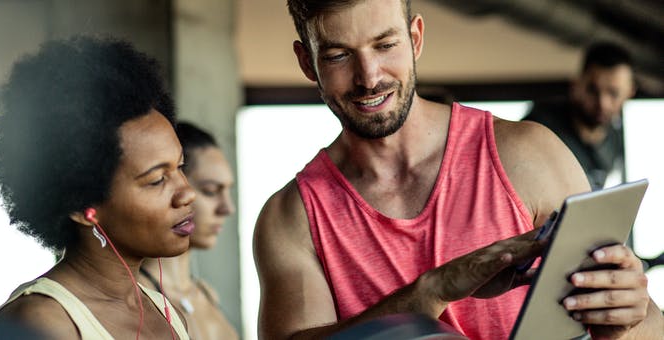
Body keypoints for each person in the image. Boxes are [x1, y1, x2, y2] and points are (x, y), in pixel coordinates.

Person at [253, 1, 663, 339]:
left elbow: (650, 324)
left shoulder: (529, 156)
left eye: (385, 45)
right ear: (307, 62)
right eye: (339, 55)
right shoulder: (292, 219)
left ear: (415, 38)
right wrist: (432, 291)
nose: (369, 78)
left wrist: (619, 325)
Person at [0, 35, 194, 340]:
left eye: (180, 167)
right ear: (83, 206)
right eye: (156, 180)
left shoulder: (166, 312)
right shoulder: (40, 322)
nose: (187, 192)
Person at [139, 122, 239, 340]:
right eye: (211, 191)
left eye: (227, 190)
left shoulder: (207, 293)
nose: (227, 208)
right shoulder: (135, 299)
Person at [523, 41, 636, 190]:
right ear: (577, 85)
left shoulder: (615, 139)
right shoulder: (541, 127)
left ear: (629, 93)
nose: (603, 103)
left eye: (614, 93)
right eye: (592, 90)